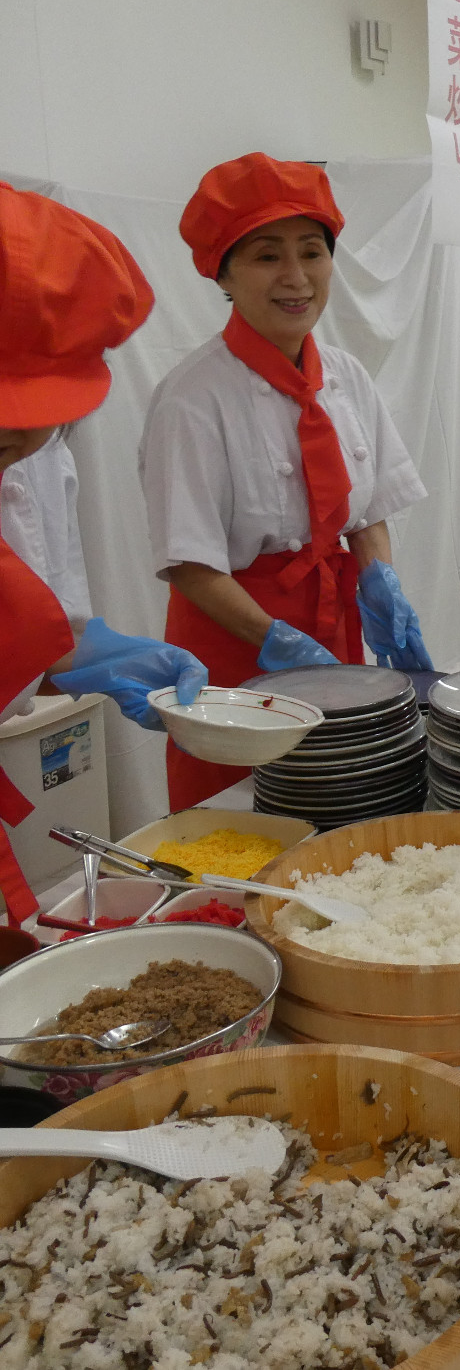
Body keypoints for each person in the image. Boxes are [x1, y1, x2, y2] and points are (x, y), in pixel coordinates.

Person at [139, 153, 432, 809]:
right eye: (268, 256)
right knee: (241, 819)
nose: (297, 277)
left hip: (335, 630)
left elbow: (369, 508)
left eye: (312, 252)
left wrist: (380, 579)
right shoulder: (192, 398)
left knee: (341, 802)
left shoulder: (349, 379)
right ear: (225, 272)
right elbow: (189, 562)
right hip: (236, 650)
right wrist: (273, 635)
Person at [0, 183, 206, 926]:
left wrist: (85, 648)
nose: (21, 439)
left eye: (41, 414)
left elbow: (44, 610)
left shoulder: (39, 451)